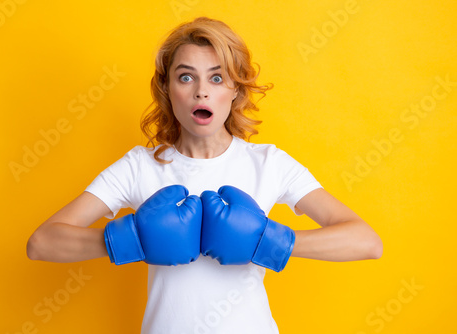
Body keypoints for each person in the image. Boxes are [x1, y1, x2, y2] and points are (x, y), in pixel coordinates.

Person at [27, 16, 383, 334]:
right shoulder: (139, 165)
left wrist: (268, 241)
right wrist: (131, 238)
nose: (201, 90)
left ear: (235, 90)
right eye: (186, 77)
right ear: (167, 89)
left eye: (217, 77)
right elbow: (42, 243)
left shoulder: (268, 163)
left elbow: (366, 241)